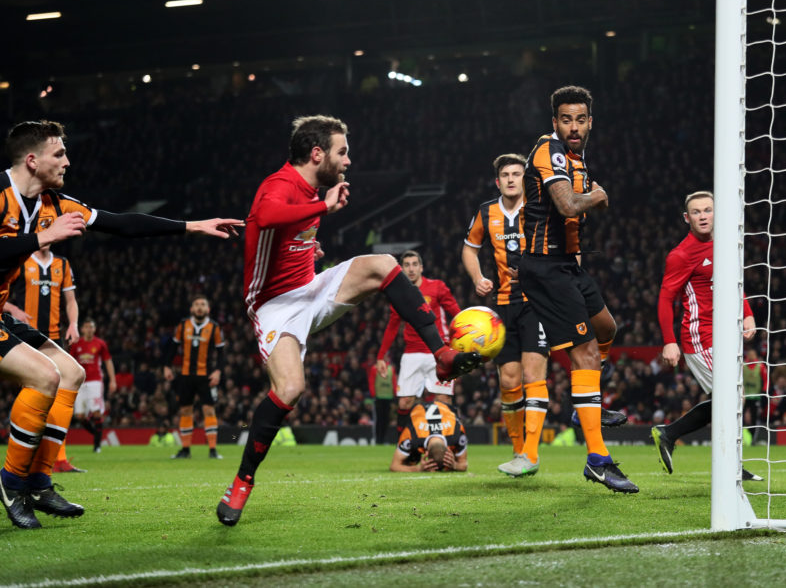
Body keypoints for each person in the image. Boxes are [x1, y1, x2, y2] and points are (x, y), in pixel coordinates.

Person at [216, 115, 482, 526]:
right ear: (317, 153)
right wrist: (322, 207)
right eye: (342, 151)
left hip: (310, 290)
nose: (349, 160)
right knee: (290, 388)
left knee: (384, 264)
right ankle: (242, 481)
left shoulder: (311, 189)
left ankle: (442, 354)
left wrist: (307, 248)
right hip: (274, 305)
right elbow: (266, 216)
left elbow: (286, 235)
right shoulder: (280, 184)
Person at [0, 119, 242, 529]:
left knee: (71, 374)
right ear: (31, 159)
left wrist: (192, 226)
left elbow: (120, 223)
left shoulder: (52, 204)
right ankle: (11, 484)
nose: (67, 161)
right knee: (43, 376)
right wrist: (40, 240)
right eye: (59, 154)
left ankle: (40, 483)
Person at [516, 85, 637, 493]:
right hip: (543, 269)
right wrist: (597, 196)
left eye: (580, 119)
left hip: (568, 265)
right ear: (555, 122)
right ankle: (598, 460)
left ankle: (588, 406)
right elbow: (568, 205)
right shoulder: (548, 152)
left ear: (589, 122)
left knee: (607, 329)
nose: (573, 126)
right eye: (565, 119)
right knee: (584, 354)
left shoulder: (577, 156)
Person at [650, 191, 762, 482]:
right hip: (700, 336)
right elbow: (665, 299)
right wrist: (668, 340)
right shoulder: (681, 255)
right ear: (687, 218)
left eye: (708, 210)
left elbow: (735, 282)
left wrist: (747, 312)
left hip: (725, 334)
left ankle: (671, 435)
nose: (702, 216)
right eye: (696, 212)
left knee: (731, 399)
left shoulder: (726, 243)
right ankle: (674, 436)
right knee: (730, 397)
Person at [462, 152, 550, 477]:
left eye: (517, 173)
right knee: (510, 381)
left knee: (532, 375)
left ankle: (531, 453)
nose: (511, 179)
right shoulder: (487, 212)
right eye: (506, 175)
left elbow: (563, 247)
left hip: (537, 303)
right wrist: (477, 278)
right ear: (497, 181)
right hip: (502, 305)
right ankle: (518, 452)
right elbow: (469, 248)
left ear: (524, 178)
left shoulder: (539, 207)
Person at [5, 245, 83, 473]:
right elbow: (3, 291)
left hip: (52, 338)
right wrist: (13, 310)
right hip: (23, 337)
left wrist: (74, 324)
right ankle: (24, 460)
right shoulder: (21, 259)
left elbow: (70, 300)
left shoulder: (62, 264)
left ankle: (57, 459)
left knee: (62, 393)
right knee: (34, 396)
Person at [375, 250, 461, 438]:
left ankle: (449, 442)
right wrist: (381, 356)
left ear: (421, 267)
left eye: (415, 264)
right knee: (405, 402)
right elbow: (392, 325)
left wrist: (467, 333)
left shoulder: (437, 287)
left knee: (443, 399)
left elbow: (456, 312)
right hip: (412, 353)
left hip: (438, 352)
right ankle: (403, 444)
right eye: (407, 265)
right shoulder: (399, 294)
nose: (411, 269)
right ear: (401, 269)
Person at [165, 294, 226, 460]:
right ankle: (185, 450)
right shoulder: (183, 325)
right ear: (192, 309)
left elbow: (221, 353)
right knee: (185, 411)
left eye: (203, 304)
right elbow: (173, 347)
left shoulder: (215, 327)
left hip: (206, 375)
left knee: (208, 410)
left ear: (208, 309)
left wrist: (218, 371)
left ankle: (213, 450)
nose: (200, 307)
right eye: (197, 304)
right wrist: (167, 366)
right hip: (185, 375)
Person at [68, 319, 114, 455]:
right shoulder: (76, 344)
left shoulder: (100, 344)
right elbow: (71, 362)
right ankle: (97, 433)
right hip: (80, 382)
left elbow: (108, 361)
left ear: (94, 329)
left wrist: (112, 380)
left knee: (96, 412)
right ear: (82, 329)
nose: (89, 329)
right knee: (80, 416)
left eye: (91, 327)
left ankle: (97, 445)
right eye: (86, 327)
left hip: (95, 381)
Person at [388, 401, 468, 472]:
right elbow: (394, 466)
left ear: (426, 453)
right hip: (418, 408)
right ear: (426, 453)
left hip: (444, 407)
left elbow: (464, 464)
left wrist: (454, 465)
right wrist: (418, 468)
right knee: (411, 460)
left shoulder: (457, 432)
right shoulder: (412, 434)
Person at [367, 352, 396, 445]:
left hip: (388, 398)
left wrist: (394, 394)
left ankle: (382, 439)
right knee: (379, 420)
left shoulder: (391, 369)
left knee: (385, 420)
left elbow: (394, 382)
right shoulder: (375, 369)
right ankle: (378, 440)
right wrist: (373, 394)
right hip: (379, 398)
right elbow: (371, 382)